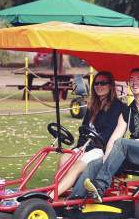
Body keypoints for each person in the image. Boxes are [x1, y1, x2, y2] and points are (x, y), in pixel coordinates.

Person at [70, 68, 139, 202]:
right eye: (131, 80)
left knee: (122, 143)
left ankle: (99, 186)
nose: (134, 83)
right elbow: (114, 138)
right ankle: (74, 200)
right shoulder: (128, 110)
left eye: (138, 79)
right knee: (94, 163)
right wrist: (106, 158)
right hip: (133, 153)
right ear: (128, 84)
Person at [49, 71, 124, 199]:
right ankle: (55, 190)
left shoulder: (117, 107)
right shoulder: (93, 106)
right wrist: (78, 149)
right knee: (64, 159)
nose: (98, 86)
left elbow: (108, 135)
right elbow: (84, 130)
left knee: (76, 167)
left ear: (111, 86)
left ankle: (50, 197)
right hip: (85, 146)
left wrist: (84, 150)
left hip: (101, 149)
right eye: (96, 83)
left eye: (103, 83)